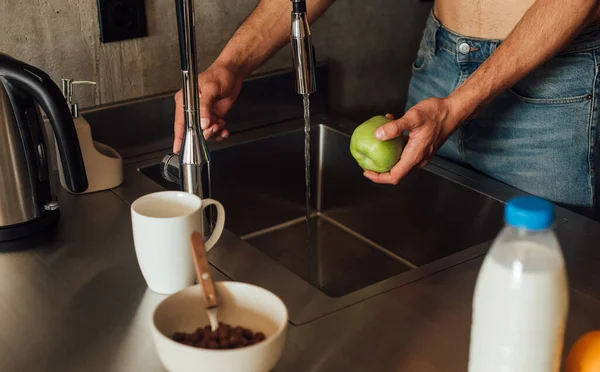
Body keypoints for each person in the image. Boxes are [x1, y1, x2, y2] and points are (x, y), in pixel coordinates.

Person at [173, 0, 600, 214]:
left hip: (552, 83)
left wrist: (460, 105)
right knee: (434, 265)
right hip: (441, 60)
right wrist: (231, 63)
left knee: (541, 278)